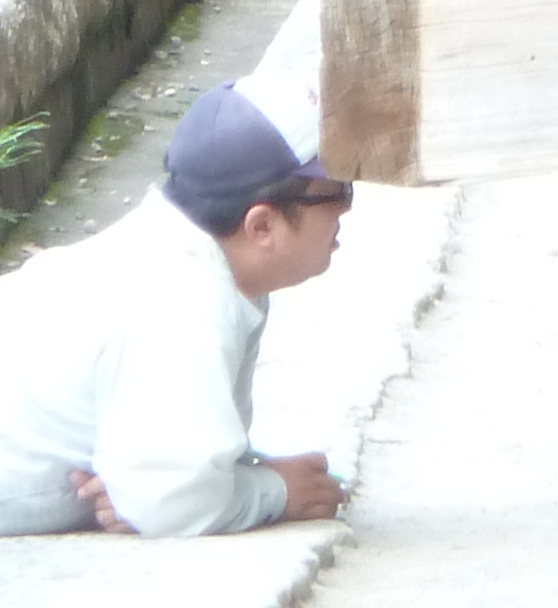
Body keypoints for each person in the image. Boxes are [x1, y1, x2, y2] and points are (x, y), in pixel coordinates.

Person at [0, 82, 350, 537]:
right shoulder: (185, 303)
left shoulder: (187, 259)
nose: (346, 207)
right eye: (336, 192)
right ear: (262, 226)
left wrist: (152, 487)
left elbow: (160, 484)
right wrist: (276, 492)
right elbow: (170, 502)